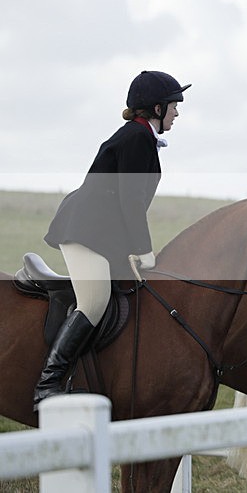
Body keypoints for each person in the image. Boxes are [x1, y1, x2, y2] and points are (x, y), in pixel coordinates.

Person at [35, 70, 190, 410]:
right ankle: (48, 384)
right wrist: (144, 250)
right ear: (158, 108)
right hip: (85, 231)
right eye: (175, 106)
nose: (178, 113)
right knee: (94, 301)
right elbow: (131, 201)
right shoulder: (136, 137)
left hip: (103, 233)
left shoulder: (140, 136)